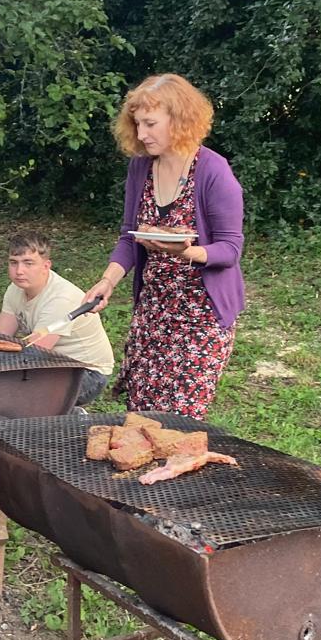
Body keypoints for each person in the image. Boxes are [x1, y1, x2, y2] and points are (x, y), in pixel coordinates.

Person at [81, 74, 245, 418]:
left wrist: (185, 252)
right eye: (137, 124)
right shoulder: (141, 167)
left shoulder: (214, 172)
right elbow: (129, 236)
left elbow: (230, 249)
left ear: (180, 119)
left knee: (177, 422)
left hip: (201, 319)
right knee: (140, 418)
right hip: (153, 314)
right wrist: (108, 281)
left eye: (151, 124)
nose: (141, 134)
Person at [0, 232, 114, 406]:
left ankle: (71, 417)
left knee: (13, 394)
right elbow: (2, 336)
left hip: (86, 372)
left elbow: (33, 353)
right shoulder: (16, 289)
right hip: (52, 364)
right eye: (14, 263)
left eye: (28, 263)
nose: (19, 271)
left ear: (46, 266)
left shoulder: (61, 299)